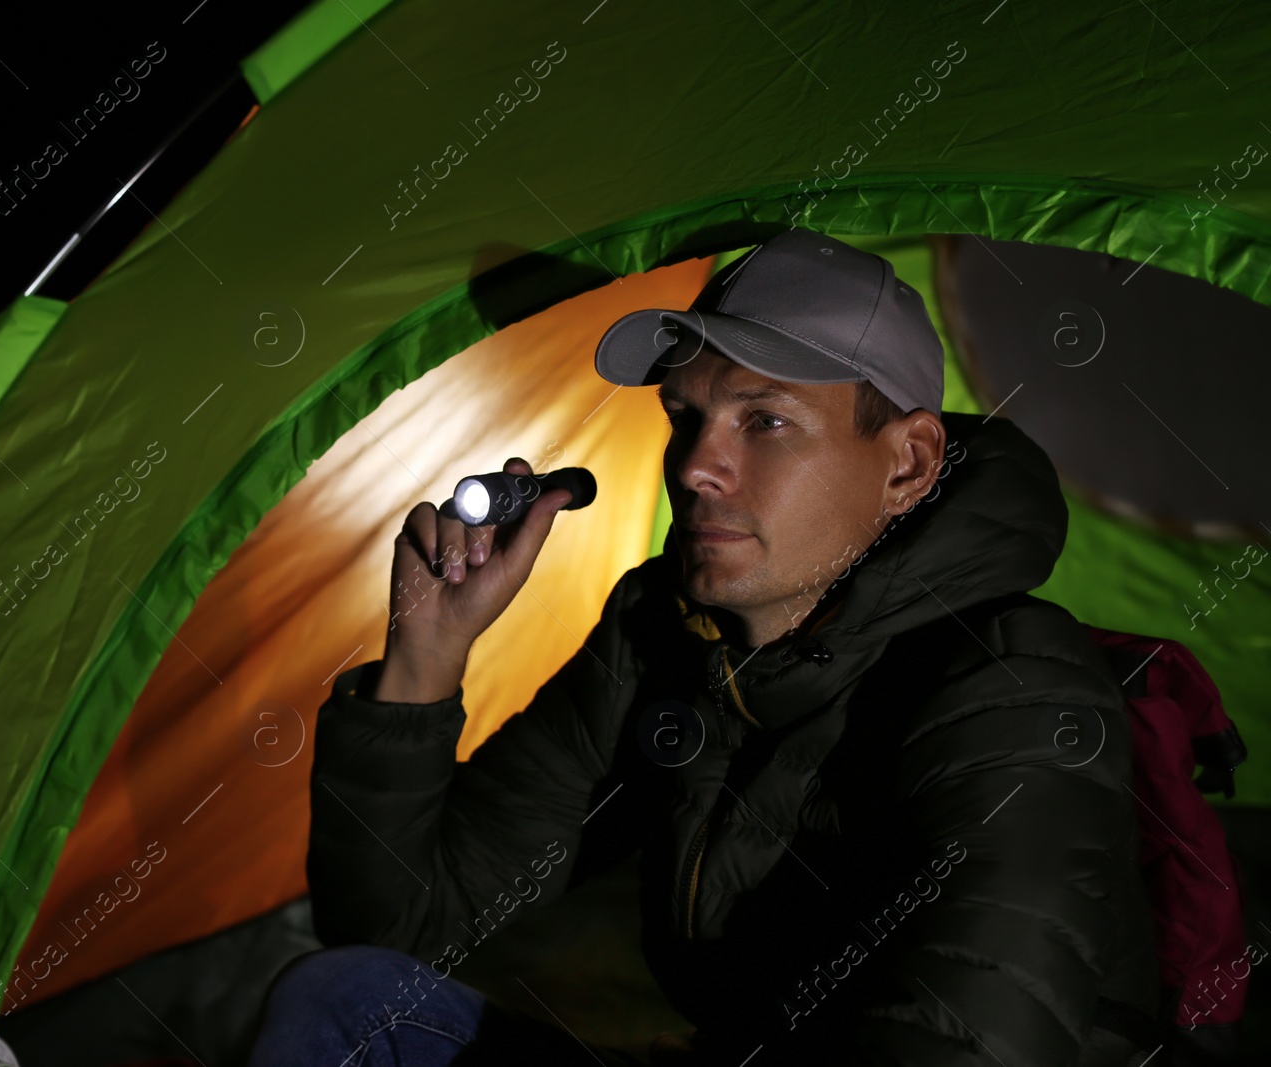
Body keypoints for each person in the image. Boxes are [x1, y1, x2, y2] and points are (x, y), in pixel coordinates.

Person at [248, 228, 1159, 1066]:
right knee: (346, 1001)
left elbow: (964, 1041)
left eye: (764, 421)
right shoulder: (666, 642)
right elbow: (404, 925)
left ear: (908, 464)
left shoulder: (1009, 683)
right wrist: (423, 661)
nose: (693, 468)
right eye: (687, 418)